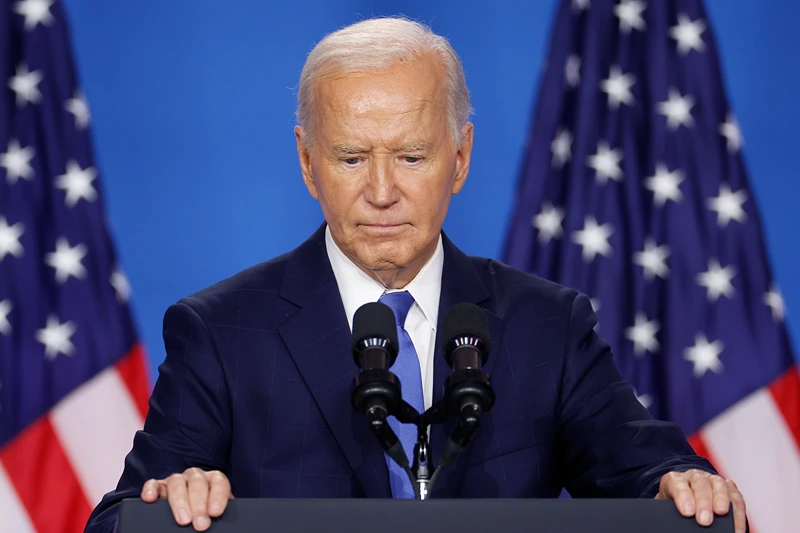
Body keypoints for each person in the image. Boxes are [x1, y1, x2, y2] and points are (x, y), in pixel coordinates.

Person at [85, 17, 747, 533]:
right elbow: (117, 518)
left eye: (410, 155)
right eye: (350, 158)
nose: (381, 191)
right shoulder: (223, 332)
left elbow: (653, 472)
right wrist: (171, 498)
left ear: (460, 158)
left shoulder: (548, 326)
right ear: (307, 160)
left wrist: (681, 482)